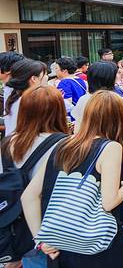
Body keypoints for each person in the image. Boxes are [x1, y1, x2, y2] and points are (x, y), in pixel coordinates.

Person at [21, 91, 123, 267]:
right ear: (118, 119)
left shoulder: (62, 144)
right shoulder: (110, 147)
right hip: (98, 245)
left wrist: (41, 240)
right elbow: (109, 202)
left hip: (62, 246)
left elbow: (28, 196)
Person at [70, 61, 123, 231]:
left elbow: (77, 131)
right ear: (108, 78)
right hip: (118, 154)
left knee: (97, 191)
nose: (119, 76)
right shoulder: (117, 100)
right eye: (116, 73)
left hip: (90, 155)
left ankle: (101, 227)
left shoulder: (83, 100)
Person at [2, 85, 68, 267]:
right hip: (54, 224)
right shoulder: (63, 144)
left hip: (17, 224)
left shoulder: (7, 143)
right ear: (58, 111)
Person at [3, 59, 48, 136]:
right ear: (34, 79)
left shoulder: (13, 98)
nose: (47, 77)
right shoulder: (32, 102)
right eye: (45, 74)